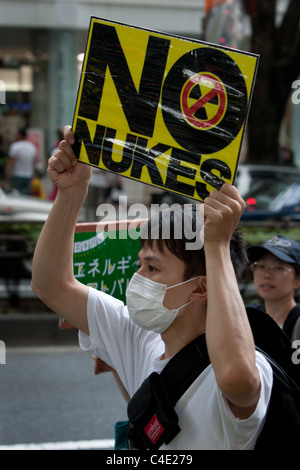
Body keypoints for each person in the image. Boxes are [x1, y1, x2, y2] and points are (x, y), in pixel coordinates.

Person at [31, 125, 273, 450]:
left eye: (153, 268)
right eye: (141, 264)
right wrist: (72, 192)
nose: (139, 277)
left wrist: (216, 244)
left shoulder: (251, 365)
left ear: (201, 288)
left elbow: (235, 378)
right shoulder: (140, 337)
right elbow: (51, 286)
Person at [248, 235, 300, 340]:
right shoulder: (247, 317)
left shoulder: (297, 322)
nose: (267, 275)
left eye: (278, 268)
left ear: (298, 280)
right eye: (261, 266)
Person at [6, 128, 37, 195]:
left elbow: (11, 162)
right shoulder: (31, 147)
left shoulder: (15, 146)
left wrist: (8, 174)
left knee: (16, 195)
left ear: (20, 135)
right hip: (28, 175)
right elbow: (33, 163)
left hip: (17, 174)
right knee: (26, 197)